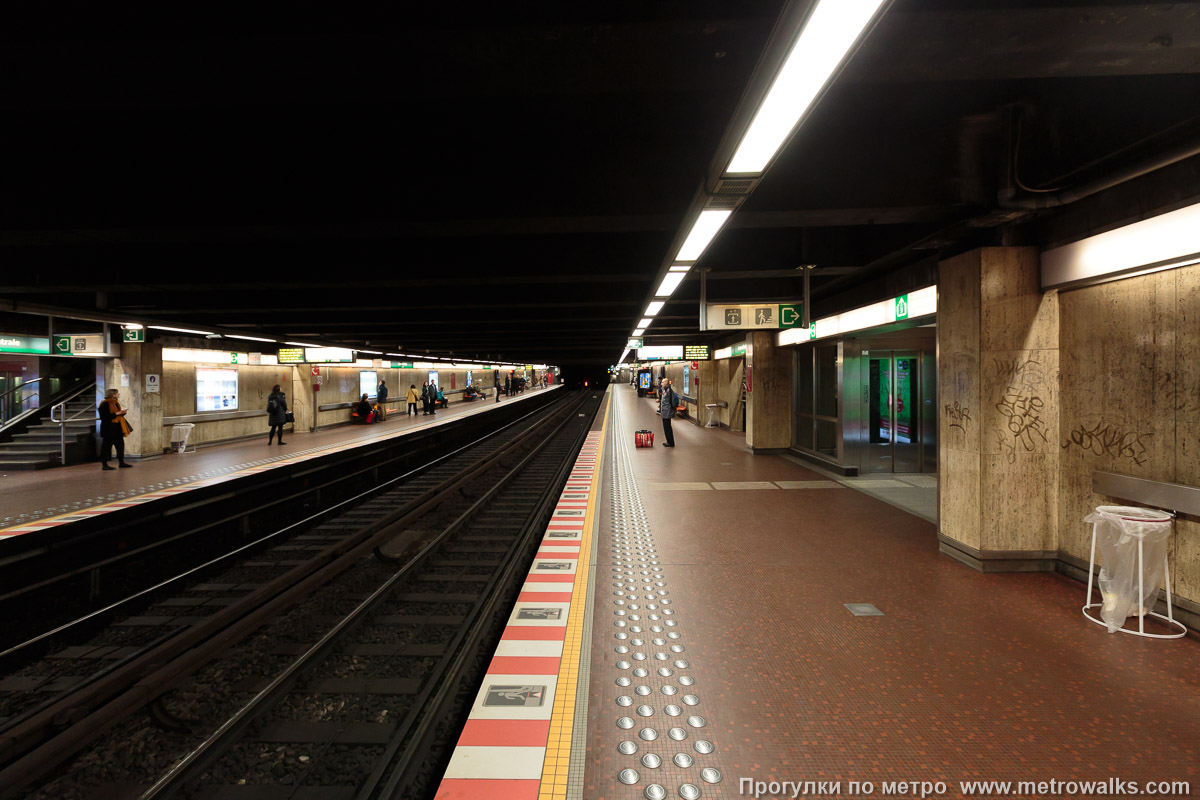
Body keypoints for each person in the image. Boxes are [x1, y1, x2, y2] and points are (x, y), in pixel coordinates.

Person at [98, 388, 133, 469]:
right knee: (106, 447)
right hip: (108, 428)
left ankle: (121, 462)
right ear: (112, 394)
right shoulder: (104, 404)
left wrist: (122, 413)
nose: (118, 394)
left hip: (117, 427)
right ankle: (104, 464)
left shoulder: (116, 403)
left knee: (120, 445)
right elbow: (104, 417)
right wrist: (116, 413)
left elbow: (117, 415)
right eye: (117, 393)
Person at [658, 377, 678, 447]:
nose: (661, 383)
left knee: (667, 427)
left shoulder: (669, 391)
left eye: (662, 382)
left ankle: (671, 442)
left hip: (667, 411)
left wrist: (673, 409)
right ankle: (668, 441)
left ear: (666, 383)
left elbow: (672, 401)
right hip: (664, 411)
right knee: (666, 427)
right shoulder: (664, 390)